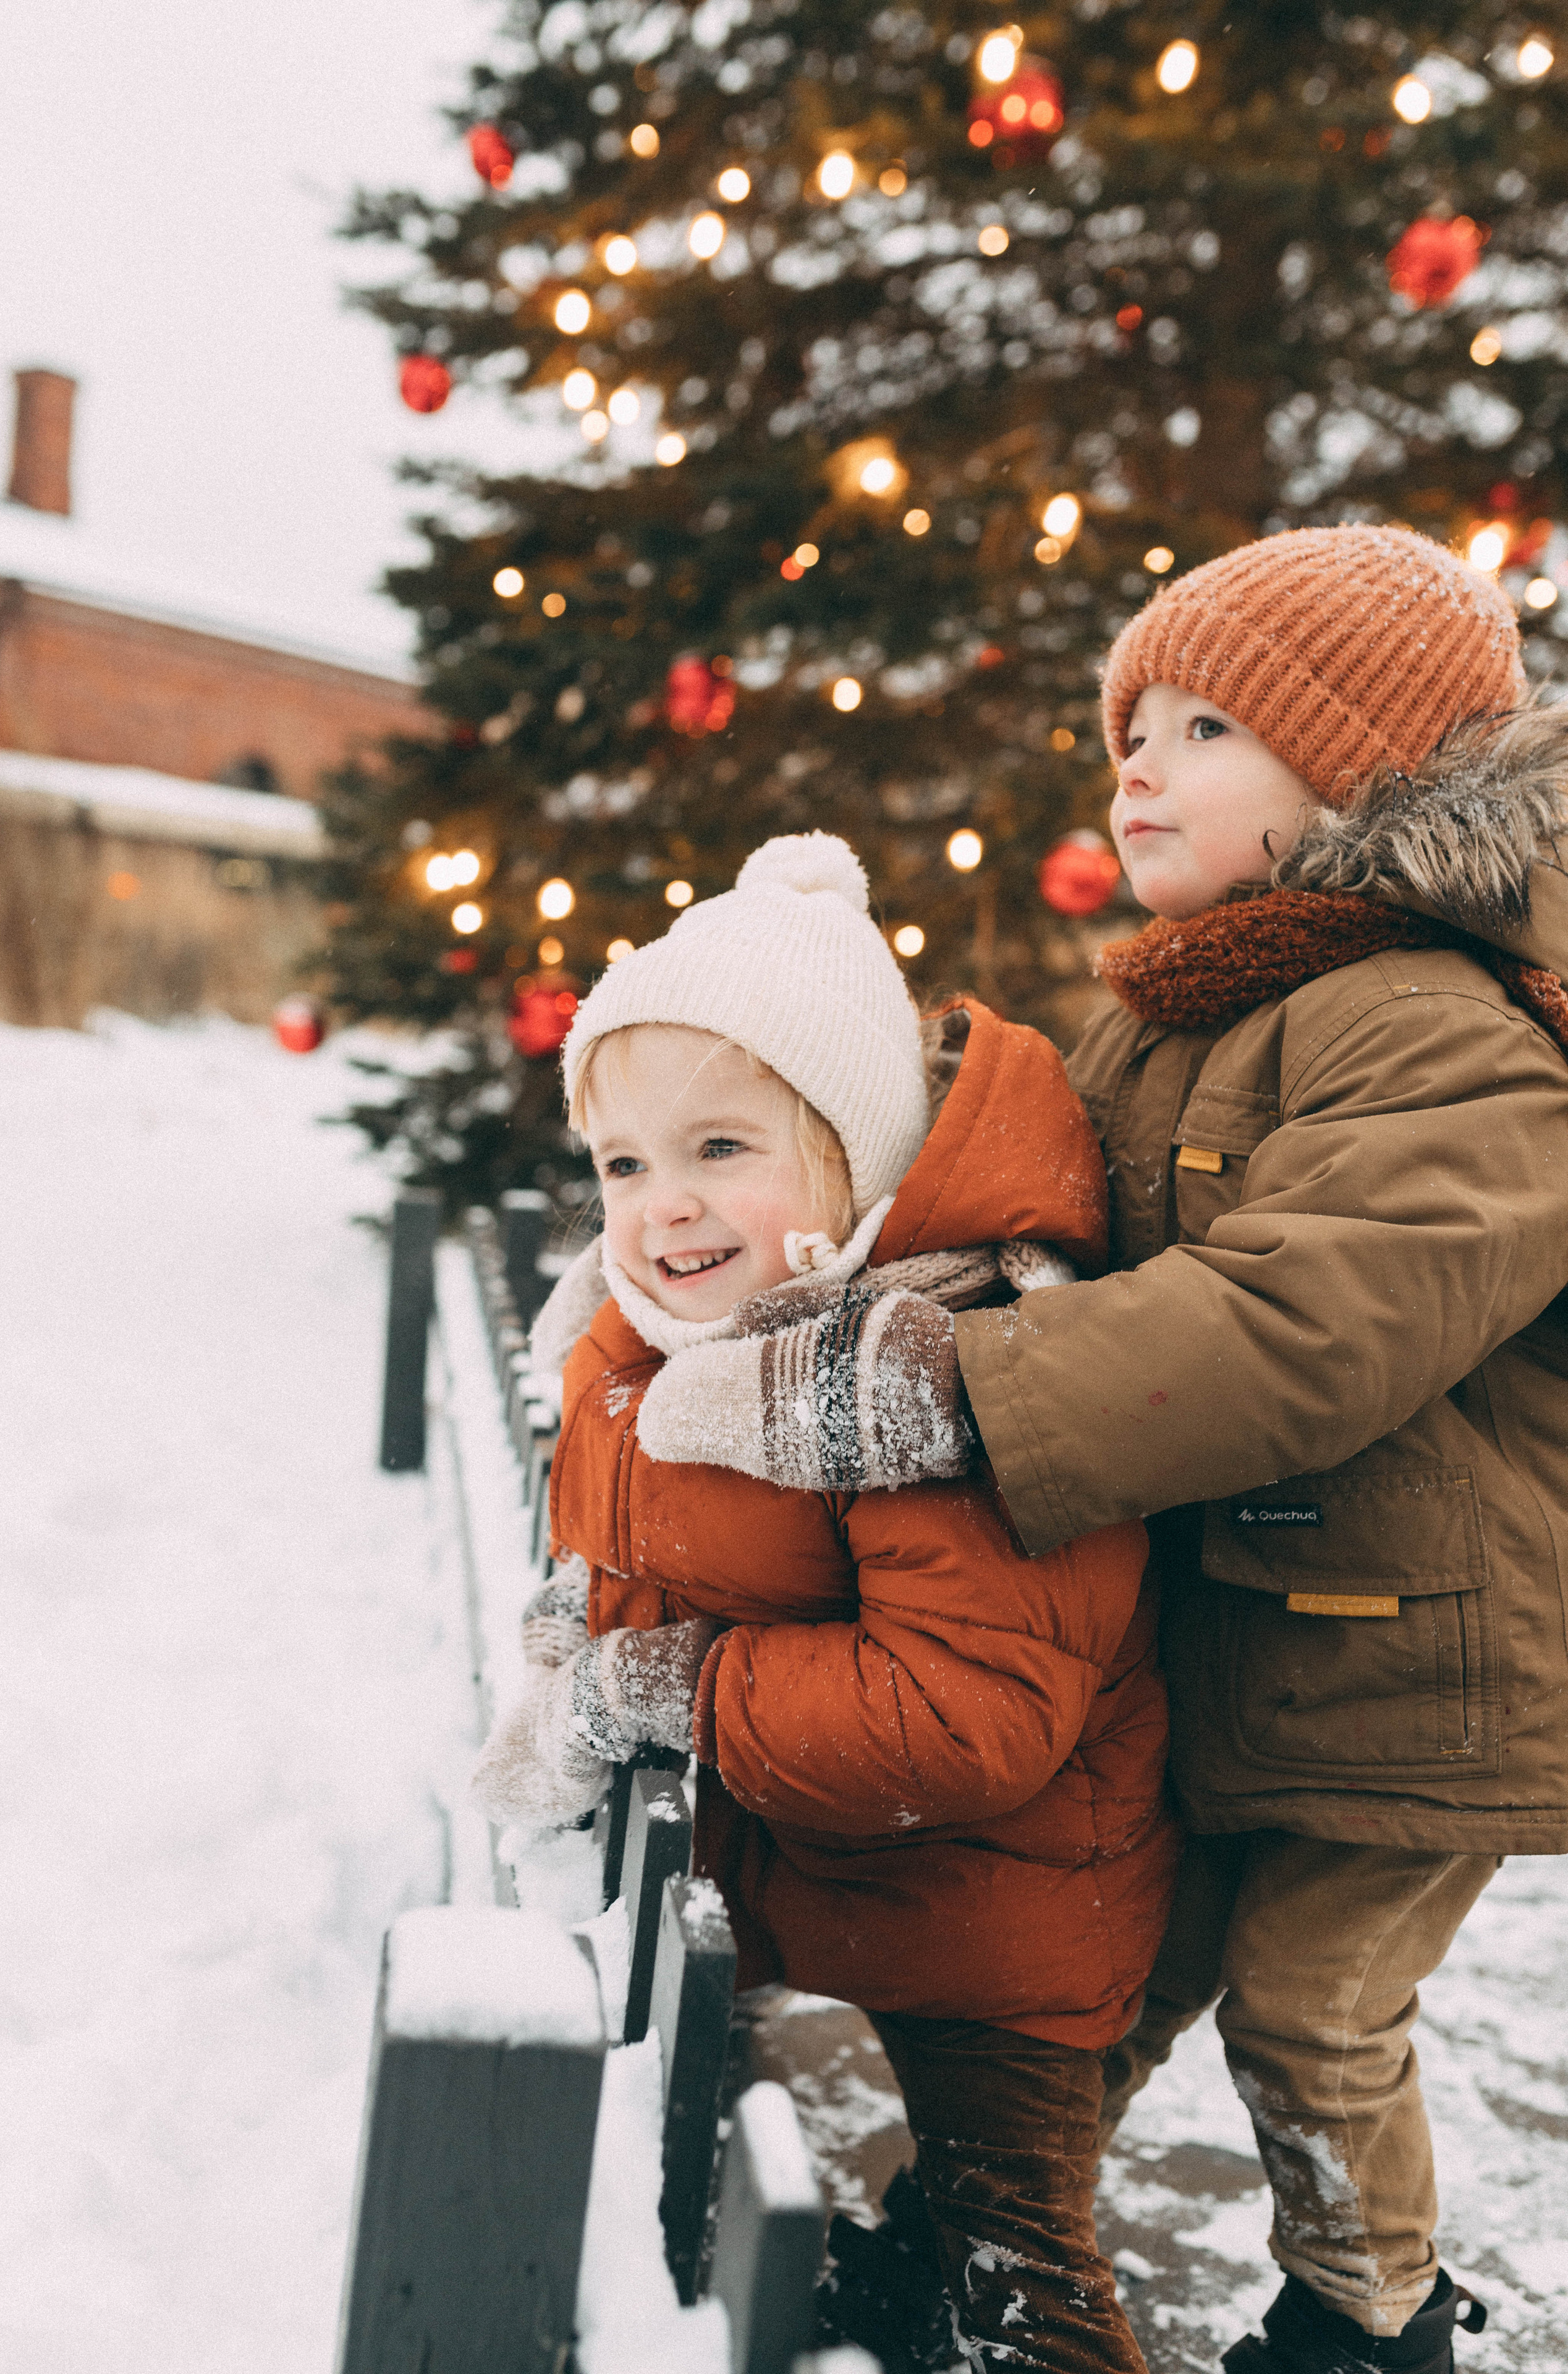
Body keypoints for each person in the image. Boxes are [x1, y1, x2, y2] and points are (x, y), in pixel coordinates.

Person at [640, 527, 1568, 2374]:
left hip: (1424, 1669)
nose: (1138, 768)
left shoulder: (1450, 1037)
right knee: (1105, 1968)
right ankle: (973, 2238)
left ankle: (1368, 2322)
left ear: (1371, 771)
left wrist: (954, 1392)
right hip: (1244, 1628)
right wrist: (850, 1266)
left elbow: (1297, 1326)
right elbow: (1044, 1217)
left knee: (1310, 2008)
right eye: (1129, 728)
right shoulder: (1178, 1010)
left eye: (1206, 727)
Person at [472, 831, 1179, 2374]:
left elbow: (963, 1718)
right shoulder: (653, 1334)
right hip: (823, 1861)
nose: (662, 1207)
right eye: (622, 1163)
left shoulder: (937, 1382)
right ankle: (901, 2300)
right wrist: (574, 1625)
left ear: (857, 1157)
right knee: (921, 2250)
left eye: (720, 1148)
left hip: (1011, 1909)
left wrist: (646, 1687)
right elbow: (633, 1536)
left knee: (1018, 2268)